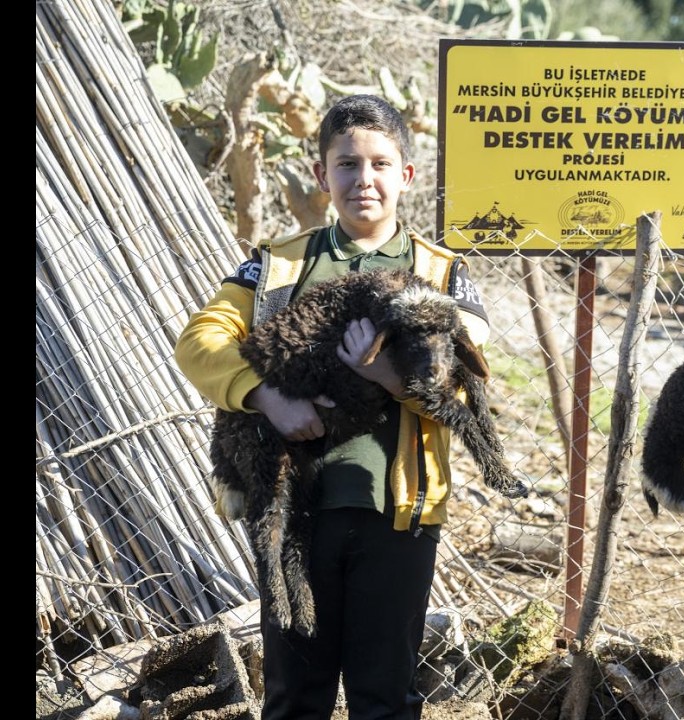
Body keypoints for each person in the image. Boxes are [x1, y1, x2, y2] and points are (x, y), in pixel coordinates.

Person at [174, 94, 491, 720]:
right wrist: (267, 397)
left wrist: (385, 375)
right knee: (294, 697)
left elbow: (463, 375)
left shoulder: (444, 275)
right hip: (295, 512)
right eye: (347, 164)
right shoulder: (276, 267)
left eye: (380, 164)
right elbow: (199, 341)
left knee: (385, 698)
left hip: (397, 516)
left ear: (406, 174)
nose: (363, 179)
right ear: (322, 175)